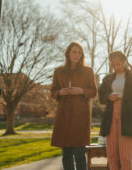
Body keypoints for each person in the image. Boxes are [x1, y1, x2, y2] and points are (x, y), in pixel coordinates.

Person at [51, 42, 97, 170]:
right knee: (66, 154)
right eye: (74, 52)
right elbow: (52, 92)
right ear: (68, 54)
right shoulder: (58, 71)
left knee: (79, 153)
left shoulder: (88, 71)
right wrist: (60, 92)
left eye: (79, 52)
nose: (77, 55)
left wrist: (81, 91)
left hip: (80, 116)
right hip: (63, 115)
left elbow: (93, 91)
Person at [99, 51, 132, 170]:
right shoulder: (107, 78)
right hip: (111, 116)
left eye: (118, 64)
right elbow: (101, 95)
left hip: (128, 117)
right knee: (112, 155)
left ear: (125, 62)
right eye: (113, 65)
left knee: (125, 155)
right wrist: (108, 97)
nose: (116, 67)